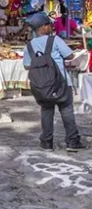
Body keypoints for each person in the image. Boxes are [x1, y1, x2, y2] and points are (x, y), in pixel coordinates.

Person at [23, 12, 86, 152]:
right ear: (43, 27)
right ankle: (72, 142)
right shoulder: (55, 40)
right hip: (62, 82)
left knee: (46, 111)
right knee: (67, 110)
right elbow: (69, 55)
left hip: (42, 86)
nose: (51, 27)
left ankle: (46, 143)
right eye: (49, 25)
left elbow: (27, 65)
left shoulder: (29, 46)